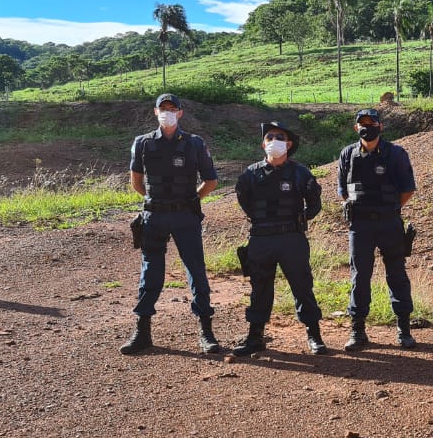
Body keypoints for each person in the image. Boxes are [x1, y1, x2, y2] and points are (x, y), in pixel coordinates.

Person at [120, 93, 220, 355]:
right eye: (163, 108)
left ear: (180, 113)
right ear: (155, 112)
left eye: (172, 109)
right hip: (154, 217)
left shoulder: (195, 143)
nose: (168, 112)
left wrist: (191, 200)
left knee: (196, 271)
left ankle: (206, 332)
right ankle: (142, 332)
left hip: (186, 217)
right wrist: (156, 201)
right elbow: (136, 181)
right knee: (150, 272)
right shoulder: (142, 143)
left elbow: (211, 181)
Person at [231, 122, 325, 356]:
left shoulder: (300, 173)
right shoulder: (250, 174)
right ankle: (255, 338)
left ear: (289, 144)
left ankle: (314, 335)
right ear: (263, 144)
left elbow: (314, 203)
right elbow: (244, 201)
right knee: (259, 289)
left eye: (280, 137)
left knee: (302, 287)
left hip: (291, 239)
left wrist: (299, 220)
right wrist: (263, 221)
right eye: (269, 137)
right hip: (261, 239)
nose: (274, 140)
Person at [337, 108, 417, 351]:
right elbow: (343, 190)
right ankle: (358, 330)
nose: (367, 127)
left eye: (371, 123)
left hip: (389, 222)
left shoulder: (396, 153)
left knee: (396, 274)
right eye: (362, 123)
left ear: (380, 126)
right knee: (359, 276)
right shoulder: (348, 154)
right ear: (356, 128)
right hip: (360, 226)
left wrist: (388, 209)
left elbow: (407, 189)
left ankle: (404, 329)